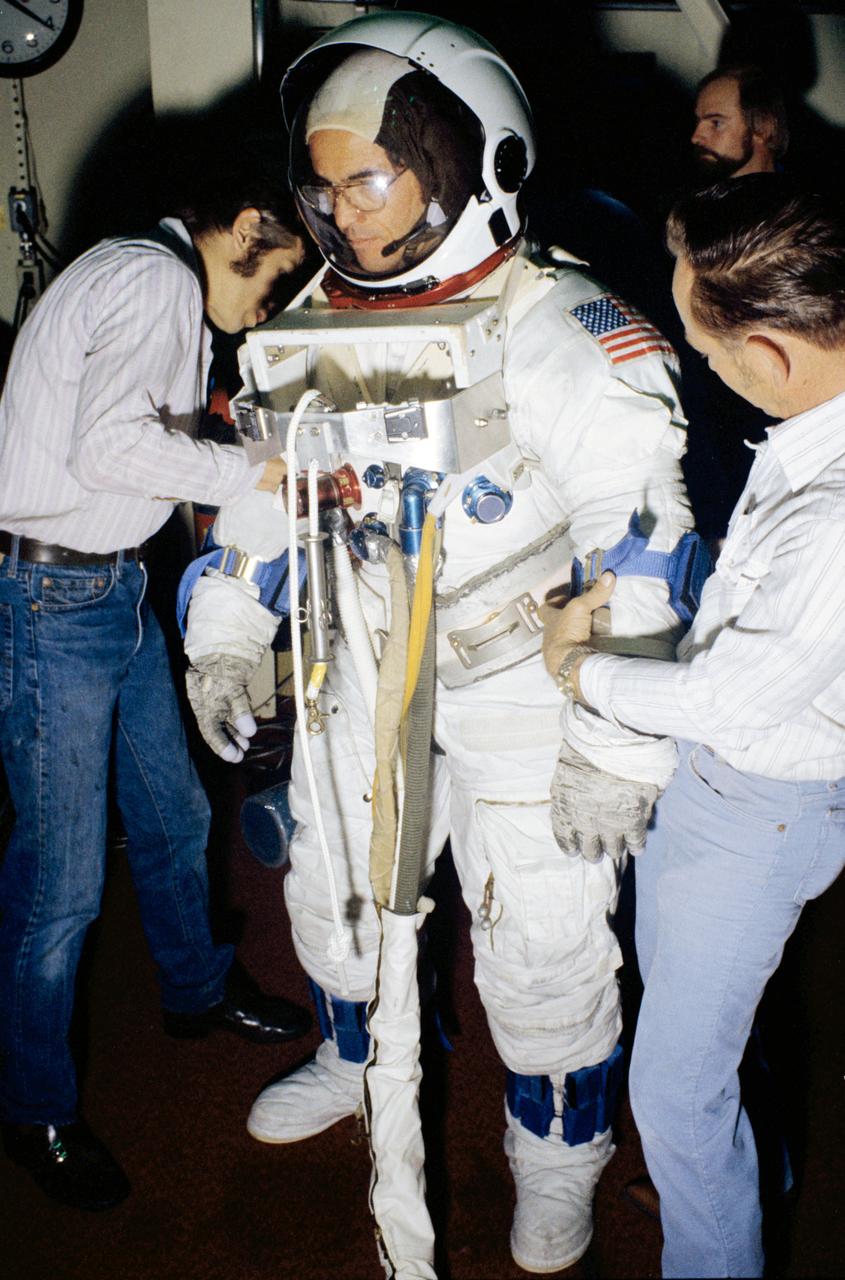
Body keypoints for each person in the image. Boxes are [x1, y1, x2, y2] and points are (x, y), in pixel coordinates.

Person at [181, 13, 696, 1273]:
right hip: (363, 660)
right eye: (324, 180)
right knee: (335, 901)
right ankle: (354, 1059)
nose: (340, 209)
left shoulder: (556, 319)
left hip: (521, 674)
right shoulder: (314, 316)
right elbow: (268, 492)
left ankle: (554, 1159)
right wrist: (229, 632)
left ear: (475, 161)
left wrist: (617, 748)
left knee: (543, 942)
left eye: (368, 176)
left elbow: (645, 534)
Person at [541, 174, 845, 1278]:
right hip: (712, 786)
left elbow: (727, 695)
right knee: (688, 1047)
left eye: (708, 356)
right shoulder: (809, 428)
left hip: (759, 809)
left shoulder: (836, 510)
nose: (702, 373)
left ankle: (712, 1235)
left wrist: (579, 670)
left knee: (670, 1085)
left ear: (766, 353)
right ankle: (722, 1172)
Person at [0, 157, 313, 1213]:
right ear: (240, 226)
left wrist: (229, 461)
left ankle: (192, 988)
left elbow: (133, 445)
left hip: (110, 588)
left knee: (175, 813)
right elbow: (109, 447)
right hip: (50, 602)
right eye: (271, 279)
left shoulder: (146, 279)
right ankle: (32, 1106)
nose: (262, 304)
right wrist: (252, 473)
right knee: (61, 882)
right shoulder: (158, 280)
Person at [691, 64, 788, 182]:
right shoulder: (691, 197)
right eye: (697, 122)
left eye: (716, 123)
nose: (695, 138)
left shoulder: (800, 199)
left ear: (763, 127)